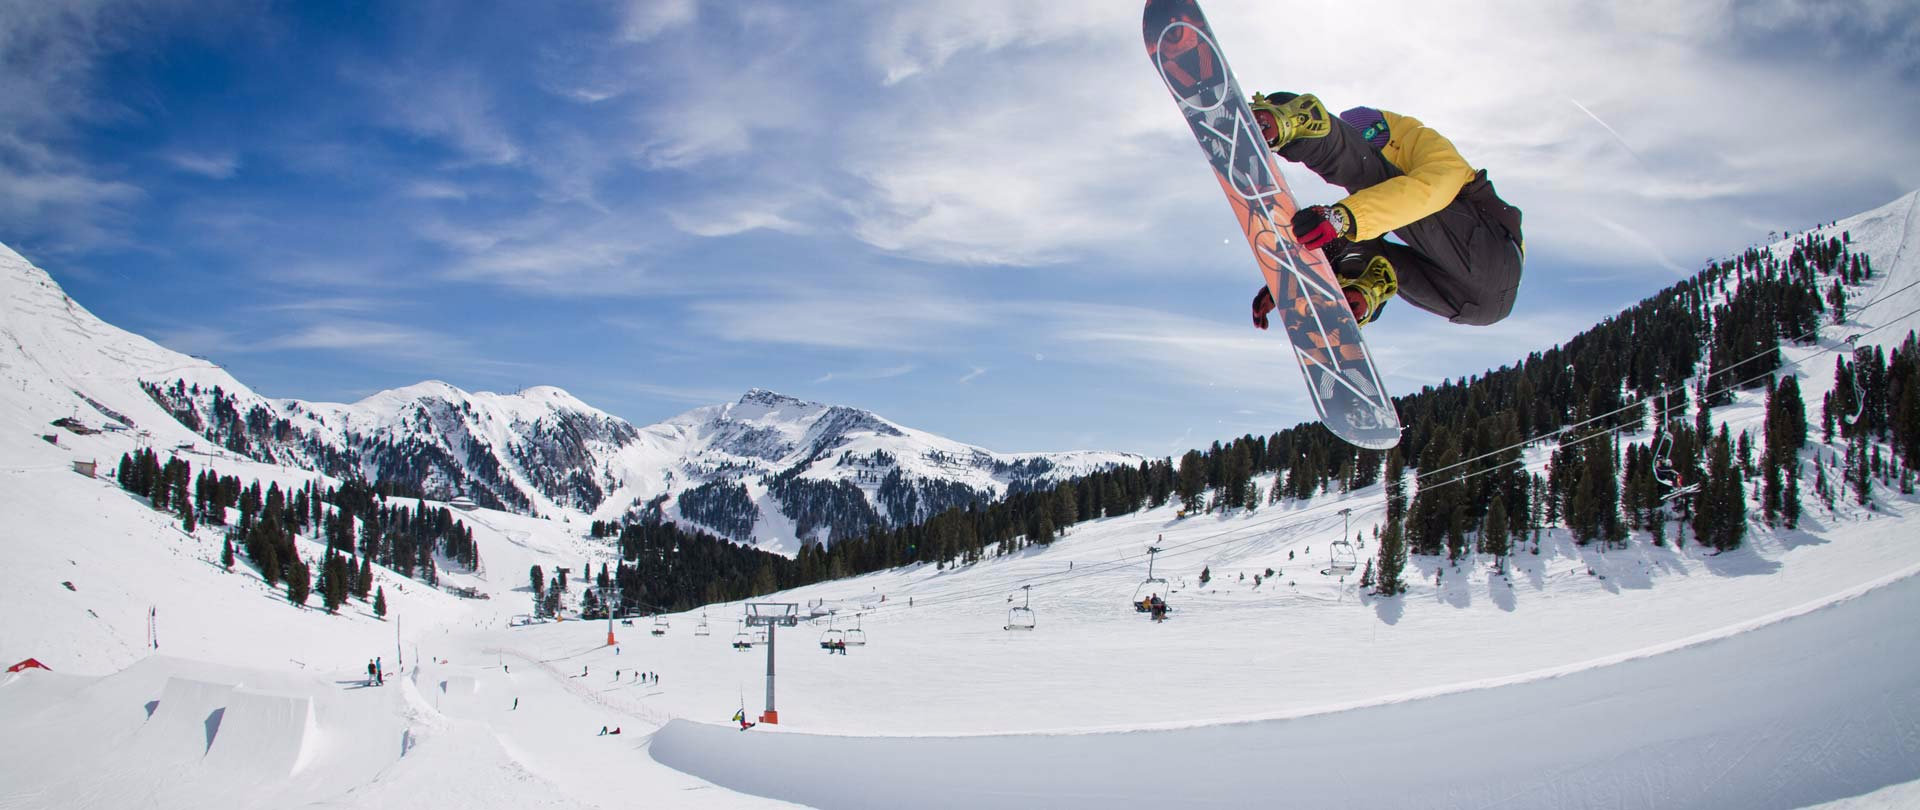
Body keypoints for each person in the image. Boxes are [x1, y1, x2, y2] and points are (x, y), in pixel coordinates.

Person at [1245, 92, 1524, 330]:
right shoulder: (1394, 199)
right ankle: (1362, 289)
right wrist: (1290, 280)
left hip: (1494, 259)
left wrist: (1342, 217)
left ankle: (1300, 123)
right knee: (1359, 244)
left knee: (1367, 197)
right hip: (1472, 307)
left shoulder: (1423, 144)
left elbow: (1431, 191)